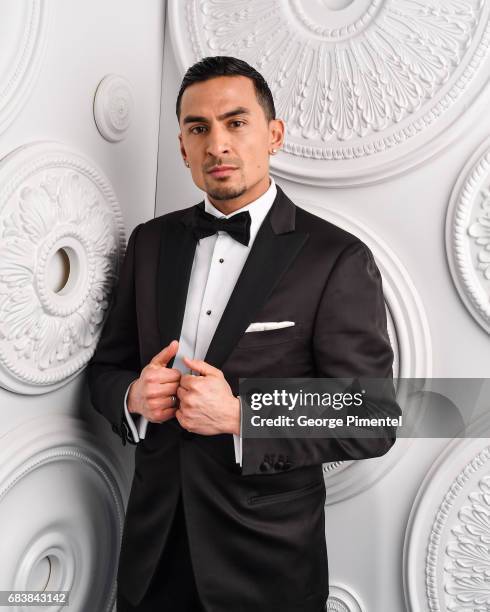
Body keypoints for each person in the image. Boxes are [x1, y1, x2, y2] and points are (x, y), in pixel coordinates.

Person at [87, 55, 397, 612]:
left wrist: (241, 416)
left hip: (266, 565)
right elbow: (106, 370)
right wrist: (132, 396)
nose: (217, 145)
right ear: (182, 146)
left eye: (236, 122)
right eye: (198, 128)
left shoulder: (336, 259)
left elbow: (372, 414)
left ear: (273, 134)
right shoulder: (150, 244)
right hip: (152, 554)